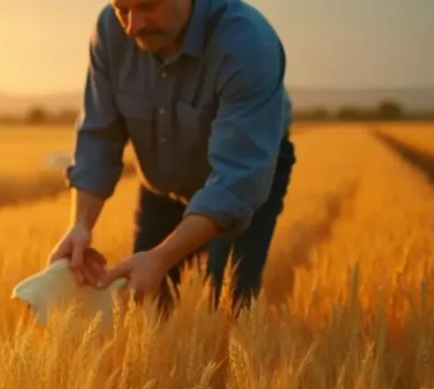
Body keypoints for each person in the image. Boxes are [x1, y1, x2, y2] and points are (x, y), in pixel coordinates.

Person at [49, 0, 296, 315]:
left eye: (147, 6)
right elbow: (99, 137)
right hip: (160, 182)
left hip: (244, 175)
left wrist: (163, 257)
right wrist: (80, 225)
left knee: (227, 305)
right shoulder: (110, 29)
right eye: (122, 10)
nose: (133, 26)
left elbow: (236, 182)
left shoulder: (247, 43)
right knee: (146, 306)